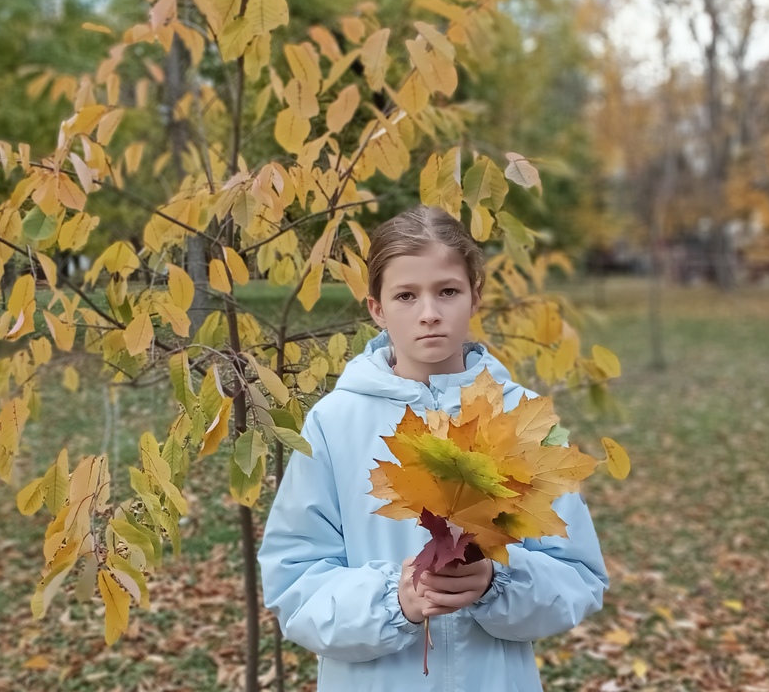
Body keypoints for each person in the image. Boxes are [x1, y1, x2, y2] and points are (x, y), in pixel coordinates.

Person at [257, 205, 609, 691]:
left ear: (475, 296)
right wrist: (392, 600)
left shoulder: (521, 418)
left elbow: (579, 579)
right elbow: (293, 586)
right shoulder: (334, 423)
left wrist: (494, 582)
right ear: (376, 308)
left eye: (448, 291)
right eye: (405, 295)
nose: (429, 313)